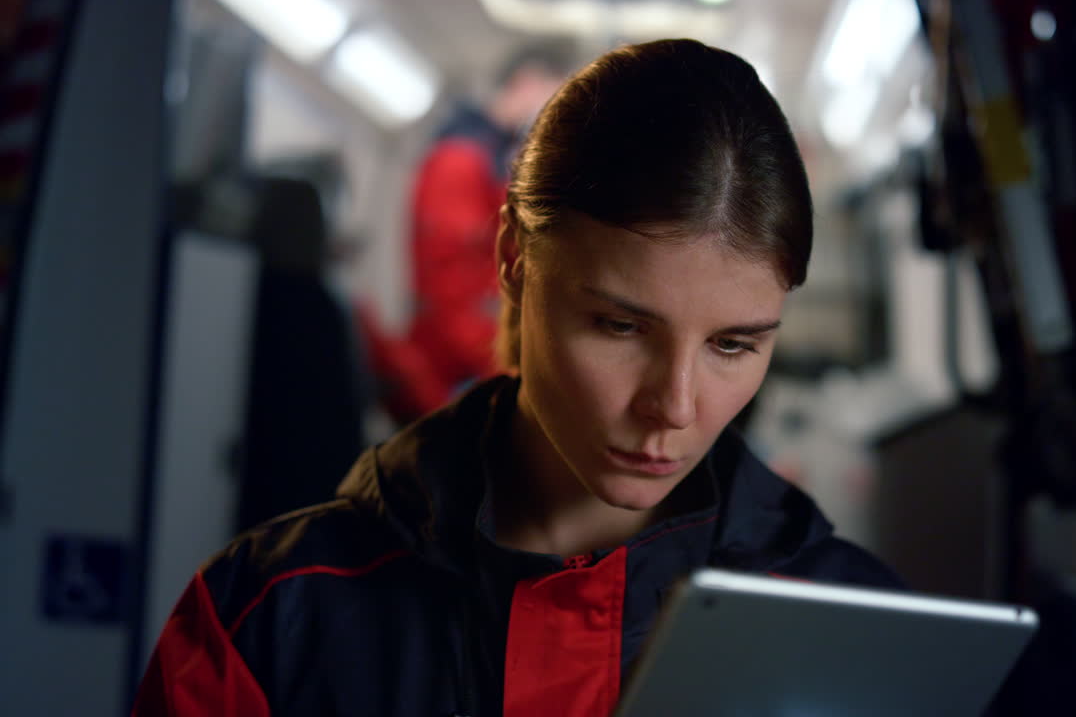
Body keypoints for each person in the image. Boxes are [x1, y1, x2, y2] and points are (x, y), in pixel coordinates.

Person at [132, 38, 901, 717]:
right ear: (513, 261)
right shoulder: (267, 619)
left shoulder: (863, 626)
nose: (673, 406)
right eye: (621, 327)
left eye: (733, 346)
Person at [359, 42, 574, 423]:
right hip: (452, 372)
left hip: (471, 362)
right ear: (526, 83)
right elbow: (452, 290)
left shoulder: (490, 161)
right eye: (554, 97)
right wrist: (506, 363)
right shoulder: (458, 163)